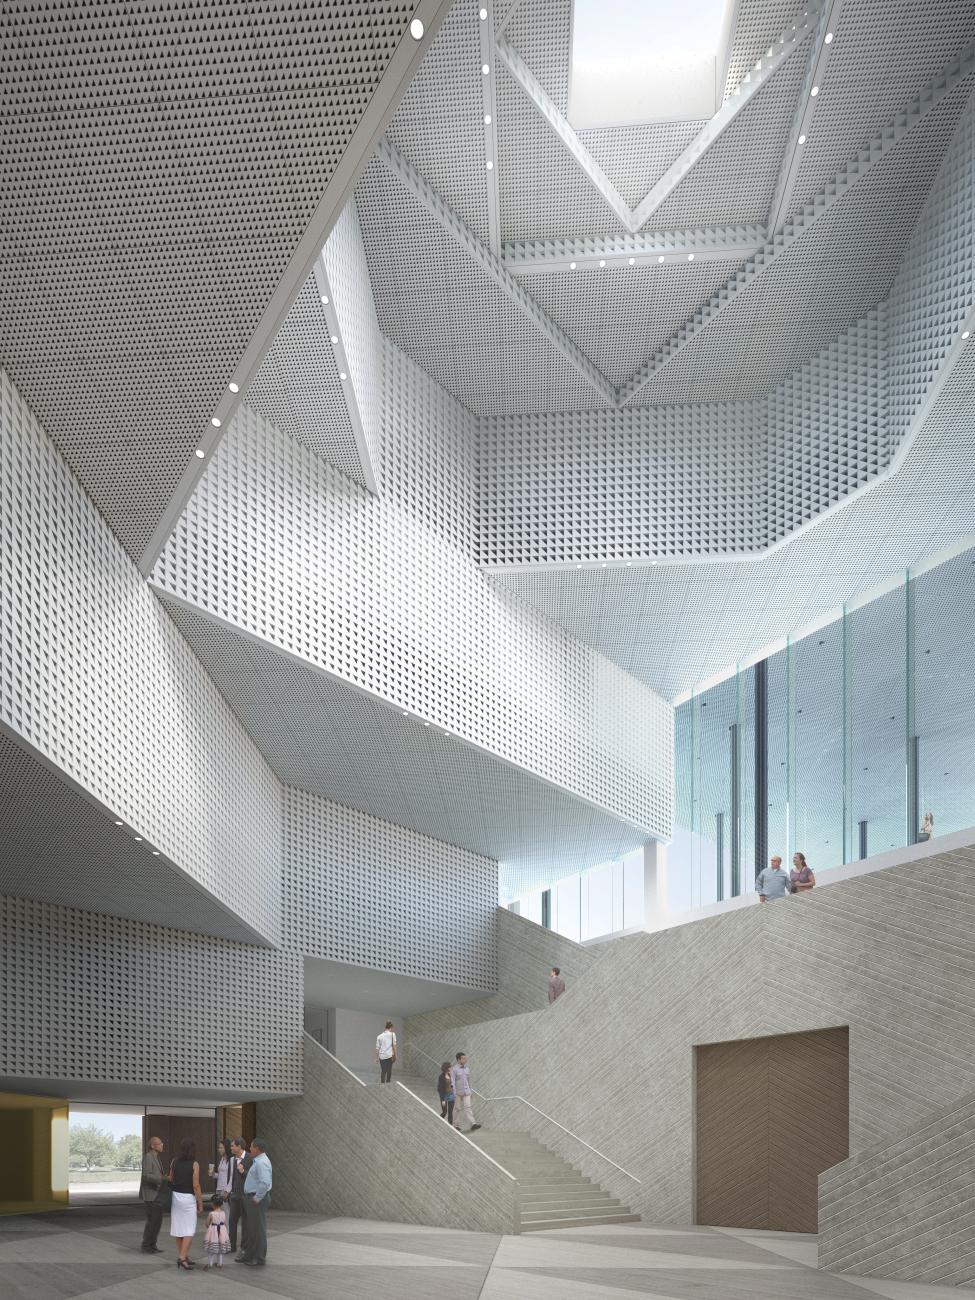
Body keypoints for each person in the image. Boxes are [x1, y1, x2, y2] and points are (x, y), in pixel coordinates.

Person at [169, 1137, 203, 1270]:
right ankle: (182, 1258)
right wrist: (200, 1203)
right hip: (188, 1198)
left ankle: (184, 1255)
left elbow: (170, 1178)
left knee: (179, 1229)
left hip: (176, 1197)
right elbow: (196, 1185)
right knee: (189, 1229)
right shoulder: (195, 1164)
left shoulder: (174, 1161)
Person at [240, 1138, 272, 1267]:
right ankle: (249, 1255)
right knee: (252, 1229)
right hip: (253, 1197)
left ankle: (258, 1258)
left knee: (258, 1229)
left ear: (257, 1148)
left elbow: (265, 1182)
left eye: (251, 1147)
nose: (250, 1149)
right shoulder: (259, 1160)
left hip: (257, 1199)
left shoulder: (261, 1163)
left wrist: (257, 1197)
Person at [139, 1134, 165, 1253]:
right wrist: (161, 1178)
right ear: (153, 1146)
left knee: (157, 1221)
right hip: (150, 1195)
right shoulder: (148, 1157)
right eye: (160, 1143)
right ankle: (146, 1245)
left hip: (157, 1193)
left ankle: (153, 1245)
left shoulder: (157, 1157)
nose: (162, 1145)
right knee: (152, 1221)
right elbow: (146, 1176)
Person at [229, 1137, 252, 1260]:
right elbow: (233, 1178)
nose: (231, 1148)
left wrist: (243, 1172)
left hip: (246, 1196)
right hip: (235, 1196)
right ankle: (231, 1246)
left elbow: (253, 1177)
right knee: (232, 1221)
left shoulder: (250, 1158)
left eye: (233, 1146)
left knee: (245, 1223)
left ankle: (244, 1248)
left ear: (239, 1146)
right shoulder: (233, 1160)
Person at [451, 1052, 481, 1133]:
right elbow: (452, 1082)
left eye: (465, 1058)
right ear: (458, 1059)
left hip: (467, 1092)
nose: (465, 1059)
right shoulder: (454, 1069)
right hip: (457, 1093)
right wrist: (454, 1093)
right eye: (463, 1058)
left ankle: (473, 1124)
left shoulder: (467, 1069)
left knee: (468, 1107)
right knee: (457, 1109)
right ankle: (455, 1125)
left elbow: (468, 1081)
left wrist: (470, 1091)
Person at [203, 1192, 231, 1269]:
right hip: (222, 1233)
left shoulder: (211, 1213)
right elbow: (225, 1223)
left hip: (213, 1234)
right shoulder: (223, 1213)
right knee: (220, 1249)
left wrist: (210, 1228)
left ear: (212, 1204)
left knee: (211, 1249)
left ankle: (210, 1264)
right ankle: (220, 1263)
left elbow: (207, 1223)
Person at [437, 1061, 455, 1125]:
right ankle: (438, 1122)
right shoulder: (441, 1077)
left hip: (451, 1095)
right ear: (447, 1068)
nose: (451, 1068)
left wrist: (452, 1088)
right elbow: (440, 1089)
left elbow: (450, 1084)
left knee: (450, 1112)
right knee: (444, 1112)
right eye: (450, 1067)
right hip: (444, 1096)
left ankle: (450, 1126)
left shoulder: (449, 1075)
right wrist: (443, 1100)